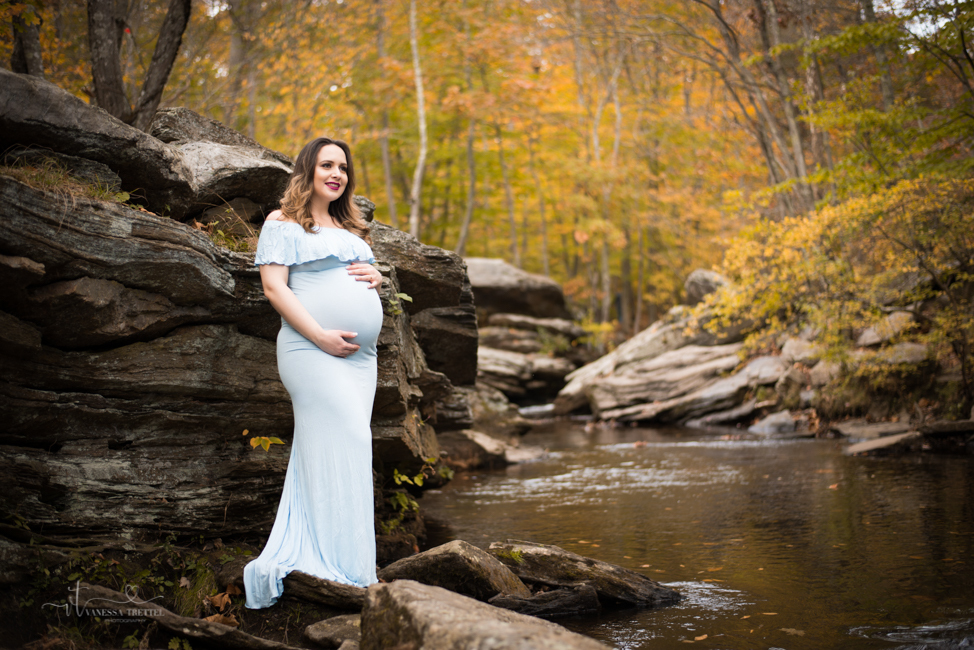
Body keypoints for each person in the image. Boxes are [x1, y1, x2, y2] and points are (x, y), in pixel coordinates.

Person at [243, 137, 383, 609]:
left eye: (343, 167)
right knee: (349, 442)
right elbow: (274, 289)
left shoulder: (348, 226)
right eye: (327, 164)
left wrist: (377, 278)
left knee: (339, 448)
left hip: (360, 361)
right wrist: (321, 335)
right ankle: (350, 572)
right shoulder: (282, 222)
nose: (336, 174)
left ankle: (349, 563)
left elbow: (360, 273)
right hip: (310, 348)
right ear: (307, 169)